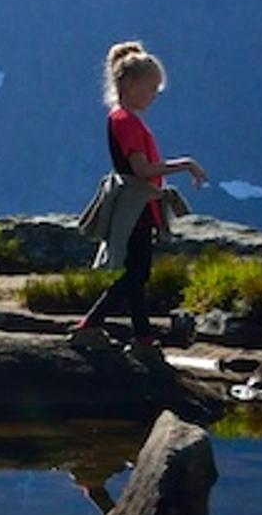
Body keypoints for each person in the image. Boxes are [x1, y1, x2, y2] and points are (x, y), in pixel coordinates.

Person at [71, 42, 206, 356]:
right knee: (137, 274)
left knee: (136, 273)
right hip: (137, 209)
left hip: (139, 206)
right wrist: (185, 164)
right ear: (130, 86)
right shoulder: (126, 122)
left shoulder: (122, 118)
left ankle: (140, 338)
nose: (155, 95)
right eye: (151, 88)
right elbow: (141, 169)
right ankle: (93, 326)